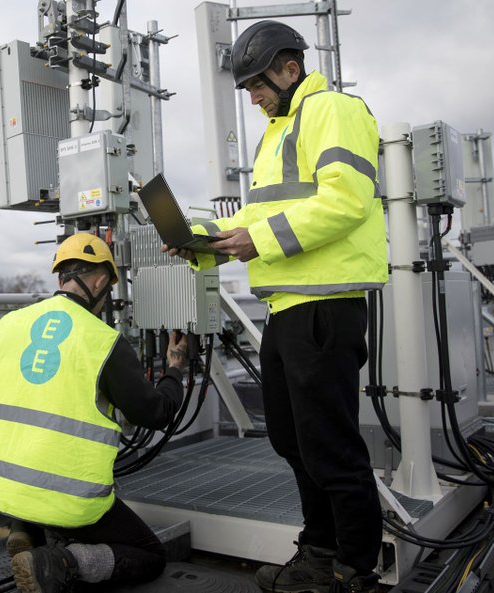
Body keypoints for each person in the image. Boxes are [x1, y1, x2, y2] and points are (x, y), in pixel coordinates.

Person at [164, 20, 387, 593]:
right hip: (288, 307)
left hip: (324, 305)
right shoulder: (279, 131)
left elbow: (346, 202)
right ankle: (319, 553)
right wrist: (202, 237)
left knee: (331, 446)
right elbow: (257, 218)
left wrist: (256, 242)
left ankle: (353, 571)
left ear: (290, 68)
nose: (253, 97)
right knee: (293, 441)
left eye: (257, 85)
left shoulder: (332, 110)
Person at [0, 233, 190, 593]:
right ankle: (60, 563)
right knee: (150, 554)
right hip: (66, 498)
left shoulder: (6, 326)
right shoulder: (102, 340)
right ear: (100, 281)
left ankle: (24, 531)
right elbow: (154, 413)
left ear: (60, 277)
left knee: (36, 475)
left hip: (0, 491)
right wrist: (174, 370)